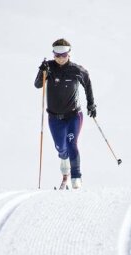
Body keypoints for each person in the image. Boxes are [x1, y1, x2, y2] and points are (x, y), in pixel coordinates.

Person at [34, 38, 96, 189]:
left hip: (73, 115)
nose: (60, 59)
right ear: (53, 54)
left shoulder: (76, 70)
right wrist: (42, 72)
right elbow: (37, 85)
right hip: (54, 117)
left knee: (71, 144)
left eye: (64, 55)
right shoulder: (48, 67)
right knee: (61, 148)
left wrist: (91, 104)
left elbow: (87, 82)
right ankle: (65, 168)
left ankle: (76, 179)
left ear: (69, 54)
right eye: (57, 55)